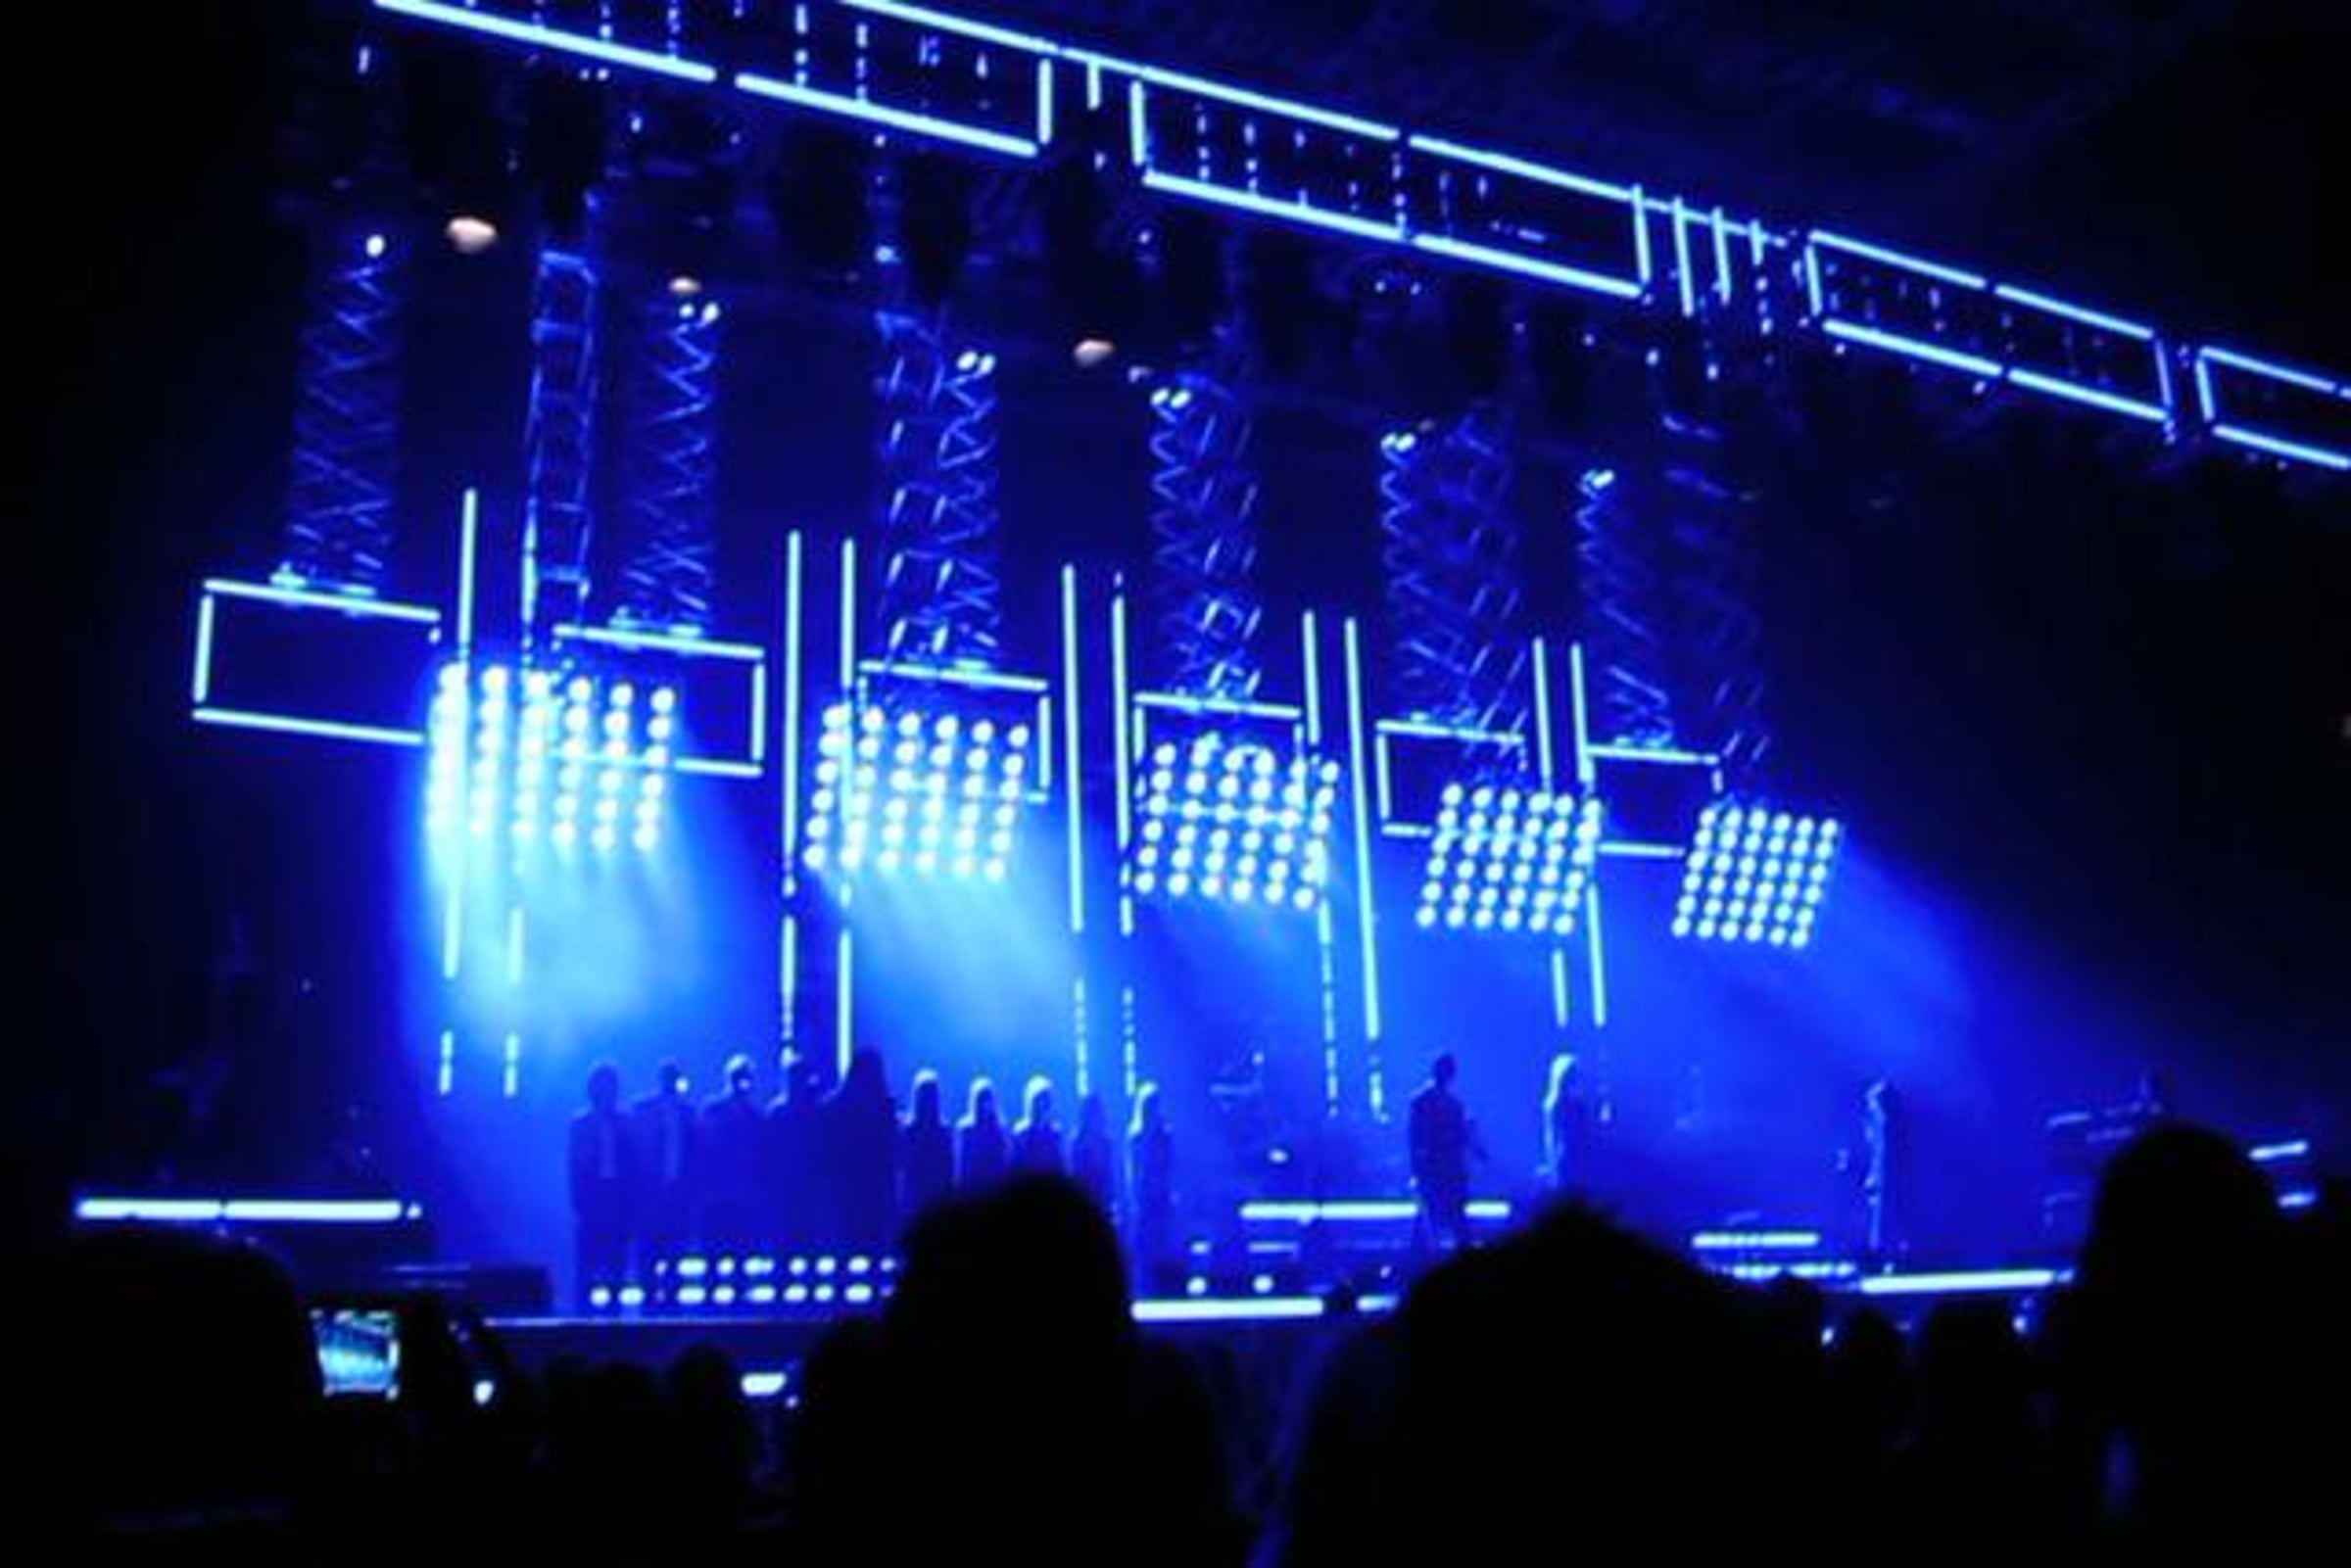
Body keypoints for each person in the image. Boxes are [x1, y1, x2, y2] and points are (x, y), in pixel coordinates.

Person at [568, 1062, 636, 1303]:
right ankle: (583, 1315)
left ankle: (614, 1315)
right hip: (592, 1200)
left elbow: (635, 1164)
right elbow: (575, 1166)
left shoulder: (626, 1122)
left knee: (617, 1266)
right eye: (602, 1087)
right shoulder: (581, 1123)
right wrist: (579, 1202)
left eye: (611, 1087)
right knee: (587, 1267)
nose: (607, 1092)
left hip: (618, 1199)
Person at [1408, 1053, 1483, 1255]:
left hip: (1446, 1168)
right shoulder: (1433, 1102)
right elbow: (1417, 1139)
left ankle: (1426, 1255)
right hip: (1440, 1169)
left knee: (1439, 1216)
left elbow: (1417, 1140)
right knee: (1439, 1216)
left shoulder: (1447, 1103)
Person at [631, 1061, 698, 1277]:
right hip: (650, 1194)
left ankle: (670, 1292)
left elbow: (695, 1154)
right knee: (648, 1257)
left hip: (678, 1195)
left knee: (674, 1257)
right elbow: (635, 1153)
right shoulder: (643, 1110)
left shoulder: (688, 1113)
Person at [828, 1048, 899, 1253]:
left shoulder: (838, 1106)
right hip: (858, 1186)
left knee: (856, 1245)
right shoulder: (883, 1106)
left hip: (861, 1186)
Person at [699, 1054, 764, 1258]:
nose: (743, 1084)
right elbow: (704, 1149)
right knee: (715, 1252)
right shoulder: (715, 1110)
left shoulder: (754, 1115)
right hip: (718, 1192)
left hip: (740, 1193)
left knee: (739, 1251)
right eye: (740, 1078)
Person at [1128, 1082, 1176, 1287]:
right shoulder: (1137, 1136)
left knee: (1162, 1235)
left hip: (1160, 1191)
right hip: (1145, 1192)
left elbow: (1170, 1165)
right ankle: (1147, 1277)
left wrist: (1170, 1188)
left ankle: (1163, 1276)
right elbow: (1133, 1168)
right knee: (1147, 1236)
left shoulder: (1164, 1135)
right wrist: (1135, 1194)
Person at [901, 1070, 955, 1223]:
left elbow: (949, 1168)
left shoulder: (942, 1131)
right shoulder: (909, 1130)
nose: (928, 1100)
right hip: (916, 1196)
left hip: (932, 1195)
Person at [1862, 1077, 1905, 1264]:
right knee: (1878, 1216)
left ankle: (1883, 1251)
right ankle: (1878, 1251)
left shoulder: (1883, 1123)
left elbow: (1881, 1151)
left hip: (1885, 1178)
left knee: (1883, 1216)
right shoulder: (1874, 1122)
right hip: (1878, 1176)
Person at [1543, 1052, 1591, 1197]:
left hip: (1577, 1156)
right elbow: (1551, 1136)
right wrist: (1553, 1165)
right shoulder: (1556, 1104)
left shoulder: (1576, 1102)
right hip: (1567, 1158)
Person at [958, 1078, 1009, 1191]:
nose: (984, 1105)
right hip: (973, 1187)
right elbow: (962, 1165)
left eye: (988, 1100)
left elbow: (1005, 1160)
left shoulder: (1000, 1128)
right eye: (981, 1100)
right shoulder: (966, 1130)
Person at [1071, 1091, 1117, 1212]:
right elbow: (1075, 1173)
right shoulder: (1078, 1142)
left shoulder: (1106, 1142)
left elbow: (1110, 1173)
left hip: (1103, 1200)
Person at [1013, 1075, 1067, 1175]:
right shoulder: (1021, 1133)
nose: (1044, 1105)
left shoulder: (1055, 1133)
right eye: (1040, 1100)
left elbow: (1061, 1164)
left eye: (1047, 1100)